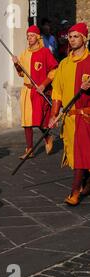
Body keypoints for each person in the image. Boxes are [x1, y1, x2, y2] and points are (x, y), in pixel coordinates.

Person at [49, 22, 90, 206]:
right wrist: (54, 114)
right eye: (70, 37)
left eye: (76, 36)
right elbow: (57, 91)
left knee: (81, 153)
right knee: (77, 154)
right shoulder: (64, 64)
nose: (72, 40)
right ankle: (87, 183)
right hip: (69, 117)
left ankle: (75, 191)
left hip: (86, 116)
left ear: (84, 38)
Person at [12, 25, 58, 160]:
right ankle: (29, 148)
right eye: (28, 36)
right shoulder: (24, 53)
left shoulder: (45, 52)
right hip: (27, 89)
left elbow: (54, 70)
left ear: (38, 37)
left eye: (32, 36)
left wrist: (44, 85)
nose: (29, 38)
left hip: (39, 90)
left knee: (38, 120)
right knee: (26, 121)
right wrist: (16, 64)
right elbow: (21, 74)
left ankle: (47, 136)